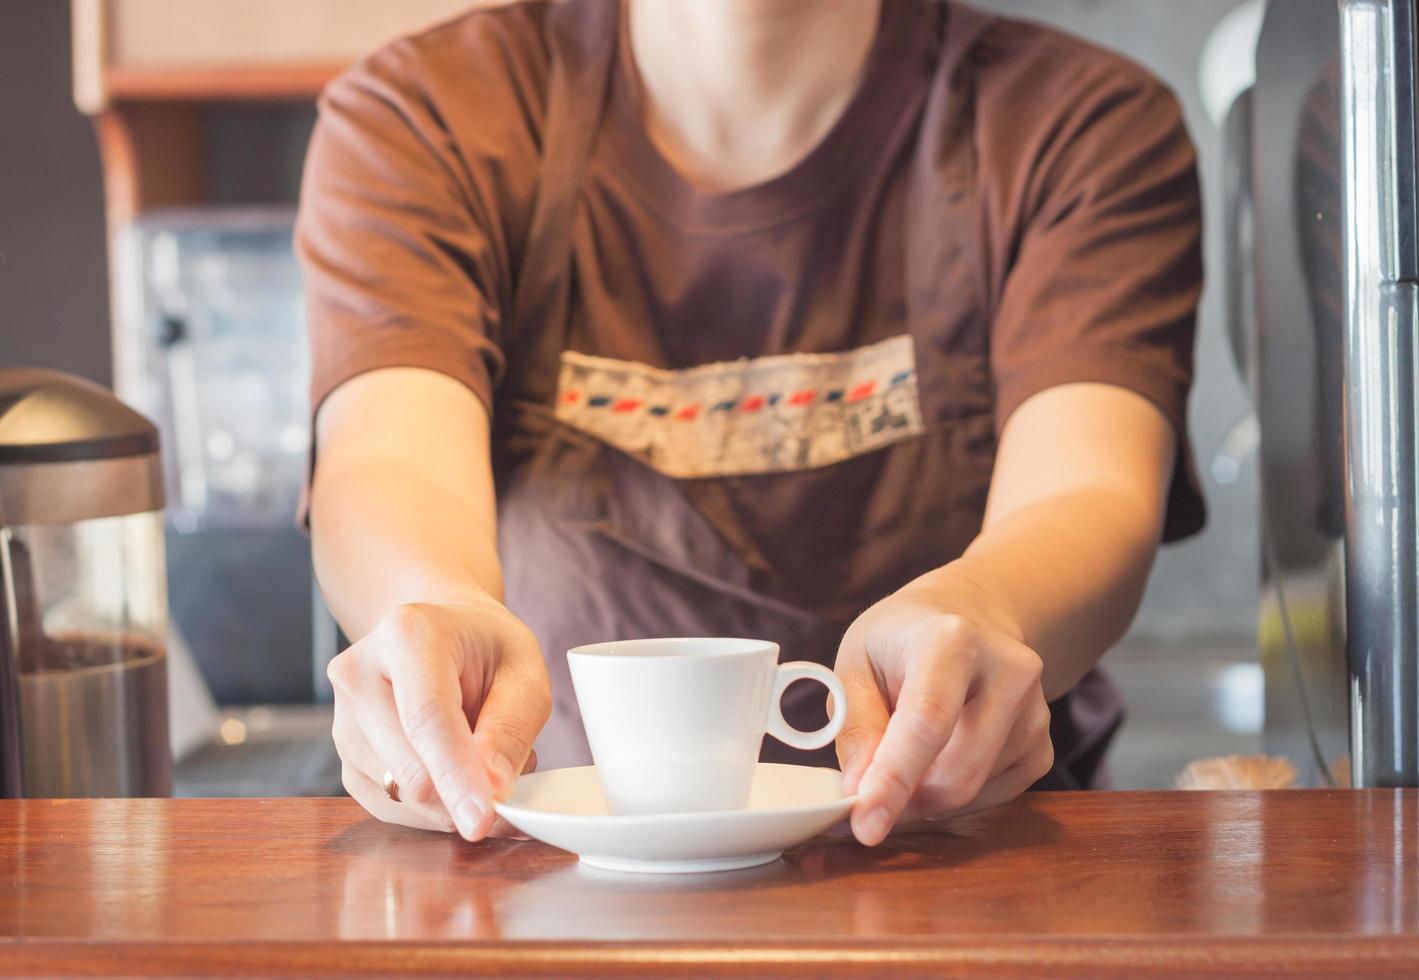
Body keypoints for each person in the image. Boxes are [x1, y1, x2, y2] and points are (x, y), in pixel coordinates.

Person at [297, 0, 1204, 846]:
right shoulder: (431, 113)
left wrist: (981, 609)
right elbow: (387, 457)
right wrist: (433, 611)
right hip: (544, 859)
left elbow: (1091, 485)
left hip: (956, 852)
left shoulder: (1076, 122)